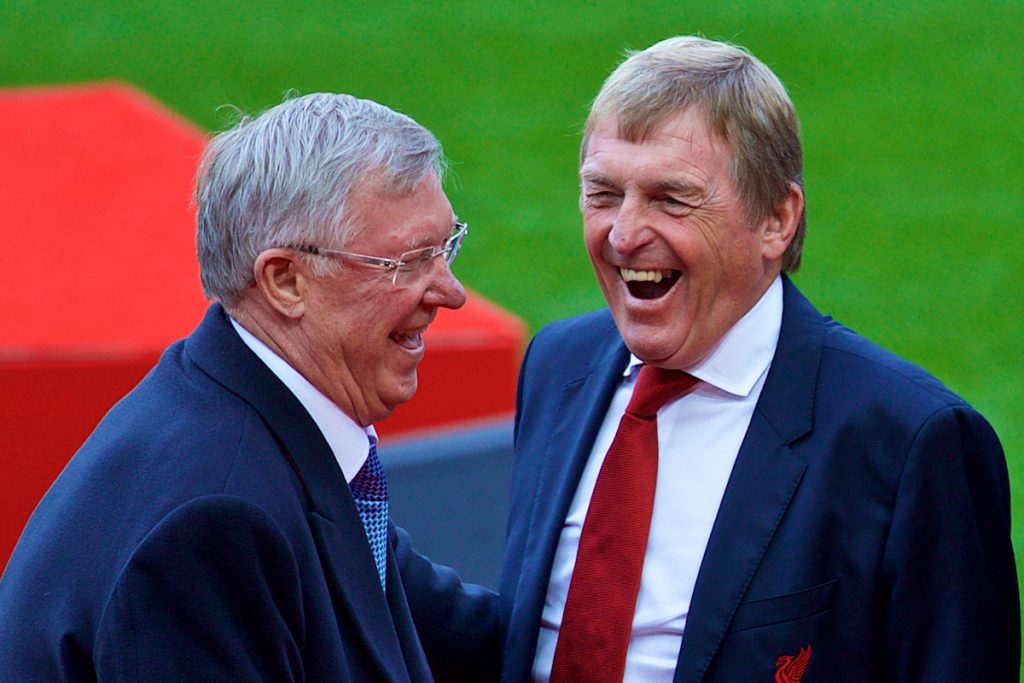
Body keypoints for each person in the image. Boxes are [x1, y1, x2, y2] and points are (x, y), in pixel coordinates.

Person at [499, 36, 1019, 682]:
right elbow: (526, 635)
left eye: (670, 198)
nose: (624, 234)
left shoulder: (911, 441)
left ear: (776, 218)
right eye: (603, 194)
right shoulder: (557, 365)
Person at [0, 93, 498, 681]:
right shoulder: (214, 522)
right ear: (286, 281)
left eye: (445, 248)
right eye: (408, 262)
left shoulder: (262, 416)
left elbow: (454, 631)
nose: (451, 292)